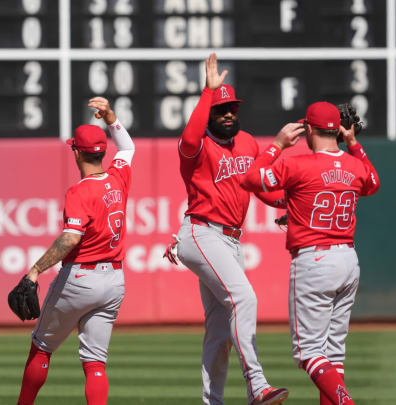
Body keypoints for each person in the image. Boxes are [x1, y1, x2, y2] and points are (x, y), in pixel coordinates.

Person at [166, 53, 289, 405]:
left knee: (220, 334)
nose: (228, 114)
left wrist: (286, 204)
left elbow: (258, 186)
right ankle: (257, 385)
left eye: (232, 108)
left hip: (231, 240)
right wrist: (208, 93)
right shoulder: (196, 146)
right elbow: (190, 135)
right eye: (221, 110)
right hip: (201, 233)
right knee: (244, 298)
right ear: (209, 113)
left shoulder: (247, 142)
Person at [240, 101, 381, 405]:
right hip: (347, 260)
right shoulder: (355, 166)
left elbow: (251, 179)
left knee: (308, 353)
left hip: (315, 262)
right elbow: (372, 183)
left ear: (309, 129)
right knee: (333, 355)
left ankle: (346, 403)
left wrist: (277, 145)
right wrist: (353, 144)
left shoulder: (297, 165)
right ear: (338, 130)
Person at [15, 97, 135, 405]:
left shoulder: (79, 191)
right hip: (114, 280)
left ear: (77, 153)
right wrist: (111, 118)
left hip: (80, 278)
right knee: (95, 362)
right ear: (102, 151)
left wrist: (35, 270)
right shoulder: (118, 178)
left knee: (41, 349)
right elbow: (127, 148)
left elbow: (70, 239)